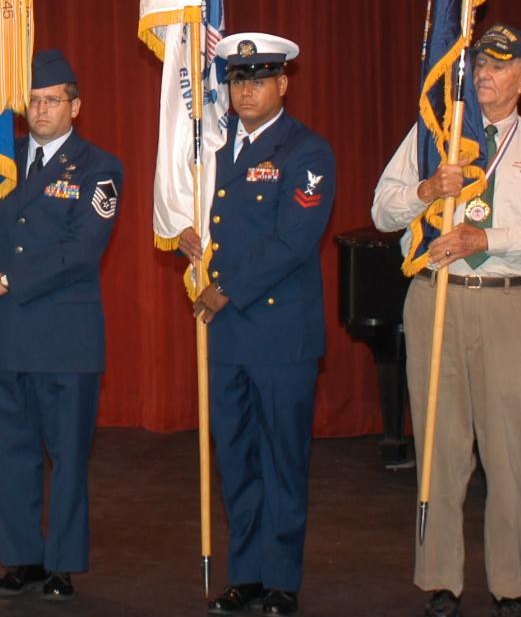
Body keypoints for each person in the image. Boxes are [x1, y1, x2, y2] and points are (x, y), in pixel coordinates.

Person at [372, 24, 521, 617]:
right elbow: (382, 210)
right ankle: (441, 577)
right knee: (439, 444)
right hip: (435, 298)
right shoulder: (431, 137)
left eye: (499, 64)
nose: (484, 74)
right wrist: (425, 188)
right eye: (479, 64)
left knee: (507, 450)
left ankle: (508, 585)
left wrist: (486, 237)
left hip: (509, 304)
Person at [185, 33, 335, 617]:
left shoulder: (307, 152)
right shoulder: (215, 151)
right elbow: (208, 218)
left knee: (281, 458)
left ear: (282, 84)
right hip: (227, 335)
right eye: (237, 80)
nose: (245, 90)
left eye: (258, 79)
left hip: (279, 334)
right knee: (237, 456)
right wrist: (187, 237)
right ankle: (244, 574)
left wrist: (227, 289)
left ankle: (280, 580)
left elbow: (292, 241)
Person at [0, 49, 123, 603]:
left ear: (75, 105)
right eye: (34, 101)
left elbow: (82, 251)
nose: (41, 110)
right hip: (8, 335)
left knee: (66, 457)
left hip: (66, 340)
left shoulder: (99, 168)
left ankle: (61, 563)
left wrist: (7, 280)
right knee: (11, 454)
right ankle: (22, 559)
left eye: (53, 100)